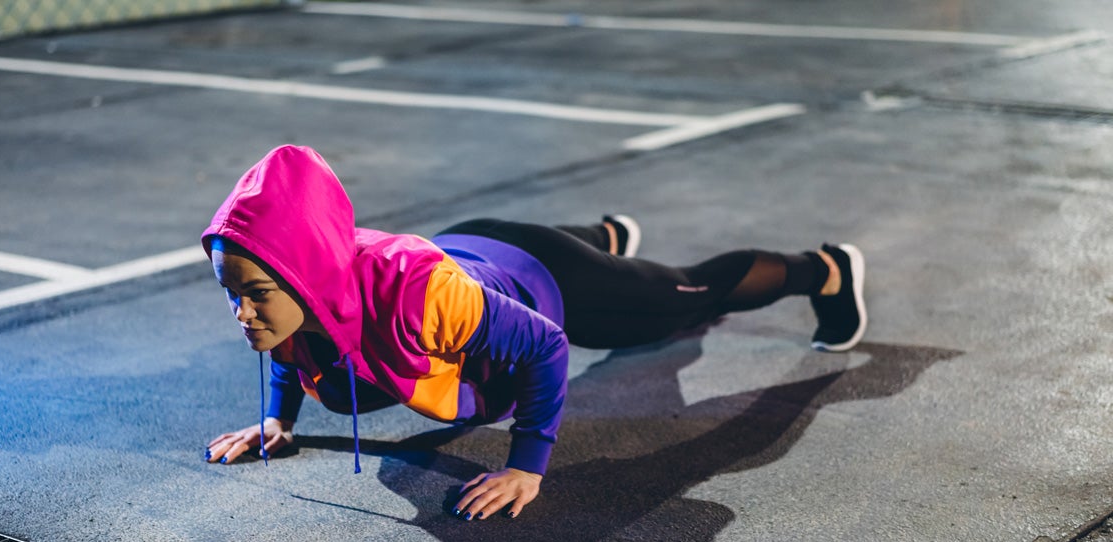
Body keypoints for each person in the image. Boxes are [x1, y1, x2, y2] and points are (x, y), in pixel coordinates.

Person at [202, 145, 865, 522]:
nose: (243, 314)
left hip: (543, 278)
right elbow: (295, 340)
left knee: (684, 297)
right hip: (476, 249)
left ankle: (826, 270)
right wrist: (276, 420)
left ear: (306, 278)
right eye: (232, 294)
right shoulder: (301, 295)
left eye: (257, 295)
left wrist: (526, 465)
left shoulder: (415, 297)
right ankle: (607, 237)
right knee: (350, 374)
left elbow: (546, 344)